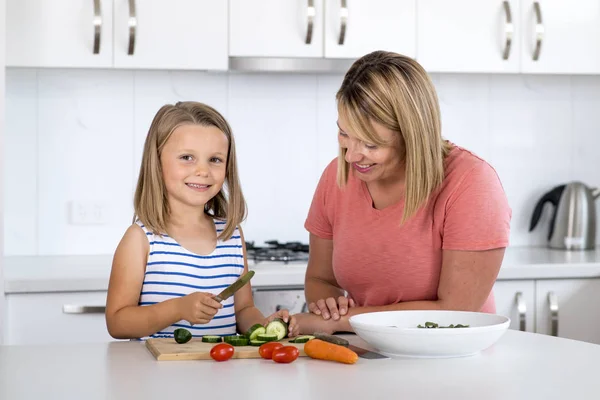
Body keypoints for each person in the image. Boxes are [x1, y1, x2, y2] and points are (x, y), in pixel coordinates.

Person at [299, 51, 511, 333]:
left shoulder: (471, 182)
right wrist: (328, 306)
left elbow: (456, 313)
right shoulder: (337, 177)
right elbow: (320, 279)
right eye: (344, 134)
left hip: (451, 362)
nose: (351, 156)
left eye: (371, 144)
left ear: (412, 134)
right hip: (366, 354)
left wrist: (342, 321)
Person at [105, 101, 298, 340]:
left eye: (215, 160)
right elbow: (118, 322)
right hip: (157, 375)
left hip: (221, 373)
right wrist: (177, 309)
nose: (203, 171)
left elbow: (243, 310)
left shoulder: (231, 235)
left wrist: (264, 326)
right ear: (157, 162)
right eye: (187, 157)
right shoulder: (141, 239)